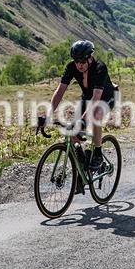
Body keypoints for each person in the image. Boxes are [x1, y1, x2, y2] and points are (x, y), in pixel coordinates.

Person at [42, 40, 116, 171]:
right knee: (72, 127)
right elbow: (59, 92)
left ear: (90, 59)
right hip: (87, 98)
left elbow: (96, 98)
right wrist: (47, 115)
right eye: (76, 61)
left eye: (82, 61)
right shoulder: (71, 67)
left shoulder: (100, 68)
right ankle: (81, 159)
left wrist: (83, 120)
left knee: (95, 115)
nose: (79, 65)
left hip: (106, 97)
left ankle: (98, 152)